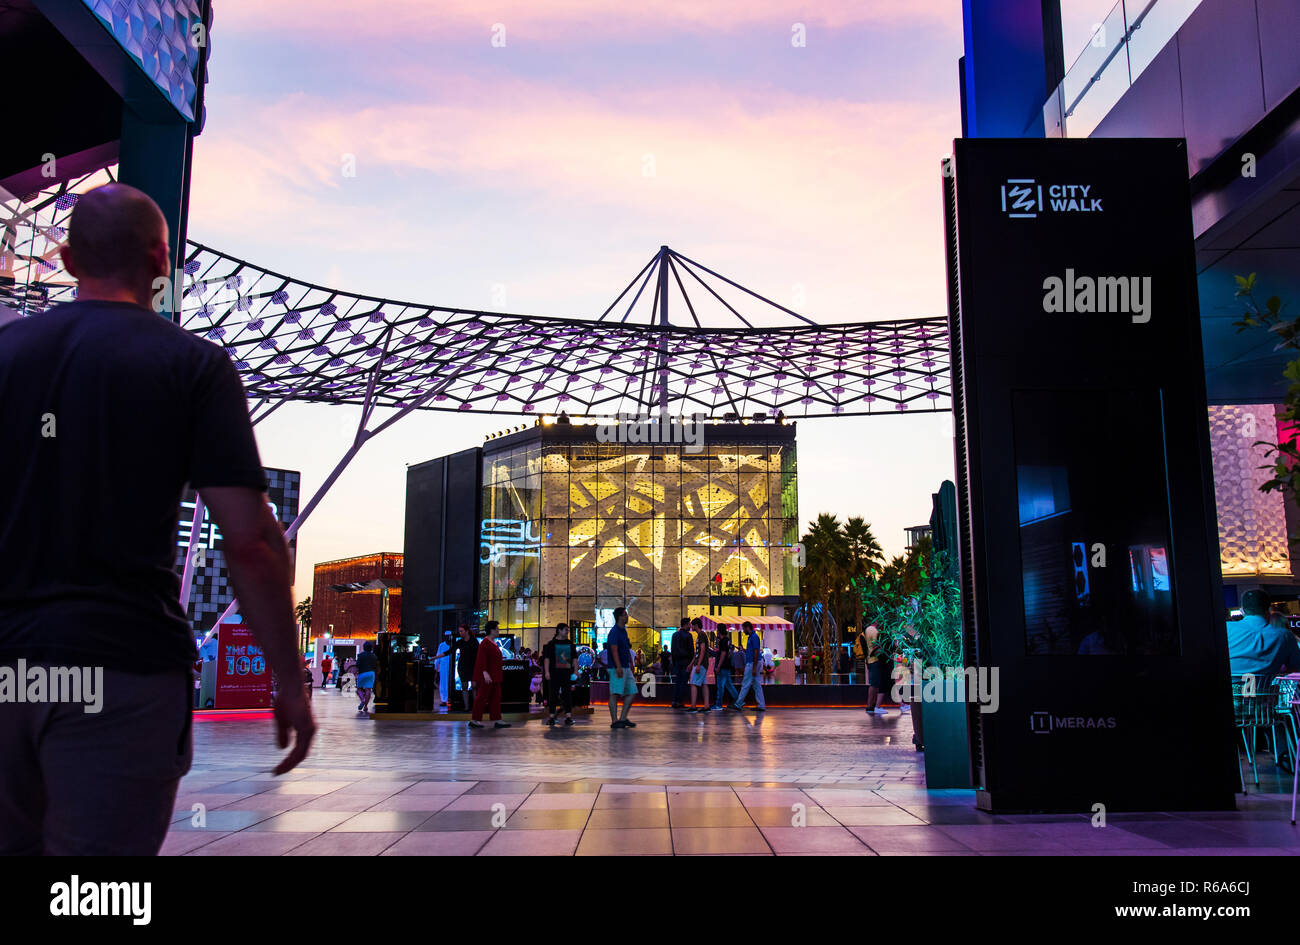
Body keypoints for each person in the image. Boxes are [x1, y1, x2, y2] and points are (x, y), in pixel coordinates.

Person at [0, 183, 313, 855]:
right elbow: (253, 542)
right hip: (121, 668)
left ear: (66, 257)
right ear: (160, 261)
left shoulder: (7, 352)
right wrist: (289, 678)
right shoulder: (190, 366)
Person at [1229, 590, 1300, 682]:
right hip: (1264, 692)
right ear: (1269, 610)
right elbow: (1295, 666)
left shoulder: (1226, 628)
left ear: (1242, 611)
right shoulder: (1285, 635)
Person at [469, 621, 511, 729]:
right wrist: (485, 672)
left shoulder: (493, 642)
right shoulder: (485, 643)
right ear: (491, 630)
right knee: (481, 697)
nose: (498, 631)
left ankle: (497, 719)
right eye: (497, 628)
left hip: (495, 676)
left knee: (495, 698)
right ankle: (474, 719)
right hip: (487, 677)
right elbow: (481, 659)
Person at [606, 607, 637, 729]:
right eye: (625, 615)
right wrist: (618, 666)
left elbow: (626, 648)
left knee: (632, 691)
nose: (627, 617)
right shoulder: (614, 632)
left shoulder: (623, 631)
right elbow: (614, 650)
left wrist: (630, 662)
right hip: (616, 667)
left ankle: (623, 718)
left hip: (625, 666)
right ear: (619, 617)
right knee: (615, 693)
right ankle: (615, 721)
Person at [542, 623, 577, 726]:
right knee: (552, 695)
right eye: (566, 630)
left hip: (566, 674)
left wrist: (575, 670)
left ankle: (568, 717)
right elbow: (546, 659)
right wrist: (547, 672)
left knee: (567, 695)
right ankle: (552, 717)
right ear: (559, 630)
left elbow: (574, 658)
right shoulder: (551, 644)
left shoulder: (570, 644)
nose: (567, 632)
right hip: (554, 674)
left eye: (568, 630)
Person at [731, 621, 767, 712]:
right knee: (756, 684)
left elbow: (756, 652)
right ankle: (761, 705)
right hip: (754, 662)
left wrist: (754, 667)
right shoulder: (752, 637)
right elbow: (752, 651)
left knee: (746, 683)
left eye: (743, 628)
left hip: (752, 663)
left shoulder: (754, 637)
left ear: (747, 627)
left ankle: (738, 704)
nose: (743, 631)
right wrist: (744, 650)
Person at [861, 623, 888, 715]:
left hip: (870, 660)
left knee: (874, 683)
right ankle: (870, 705)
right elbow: (876, 646)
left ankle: (871, 705)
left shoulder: (867, 629)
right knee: (874, 684)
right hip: (874, 660)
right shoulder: (874, 630)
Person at [686, 618, 711, 712]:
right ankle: (706, 706)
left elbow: (703, 650)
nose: (691, 627)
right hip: (701, 663)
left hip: (701, 663)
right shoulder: (701, 635)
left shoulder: (701, 635)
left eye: (692, 625)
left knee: (693, 683)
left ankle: (693, 706)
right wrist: (691, 664)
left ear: (696, 625)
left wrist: (698, 664)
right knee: (704, 684)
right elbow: (698, 652)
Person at [670, 618, 695, 709]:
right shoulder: (688, 636)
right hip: (686, 662)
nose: (690, 626)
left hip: (677, 662)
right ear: (686, 624)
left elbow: (672, 650)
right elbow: (691, 651)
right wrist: (691, 663)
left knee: (677, 682)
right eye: (689, 624)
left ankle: (674, 701)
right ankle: (680, 701)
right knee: (683, 682)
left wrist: (673, 662)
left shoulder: (674, 635)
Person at [712, 624, 739, 709]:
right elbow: (726, 651)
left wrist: (718, 666)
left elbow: (723, 654)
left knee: (720, 686)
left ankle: (718, 704)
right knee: (729, 685)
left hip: (723, 666)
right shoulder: (727, 640)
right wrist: (719, 650)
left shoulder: (722, 641)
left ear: (719, 631)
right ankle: (739, 701)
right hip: (727, 666)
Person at [454, 623, 478, 711]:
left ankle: (475, 707)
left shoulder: (474, 641)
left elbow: (478, 654)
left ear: (466, 631)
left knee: (474, 685)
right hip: (463, 666)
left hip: (473, 665)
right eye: (459, 631)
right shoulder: (460, 642)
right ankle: (466, 707)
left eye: (461, 631)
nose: (460, 633)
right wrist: (436, 657)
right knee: (464, 686)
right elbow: (450, 651)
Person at [354, 642, 378, 714]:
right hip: (371, 673)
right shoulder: (374, 656)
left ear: (364, 647)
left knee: (359, 688)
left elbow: (357, 665)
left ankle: (362, 700)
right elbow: (376, 666)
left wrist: (356, 673)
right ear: (371, 648)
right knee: (368, 689)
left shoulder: (361, 655)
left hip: (362, 673)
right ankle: (366, 706)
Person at [435, 631, 452, 706]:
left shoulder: (454, 644)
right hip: (443, 666)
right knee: (443, 683)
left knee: (451, 684)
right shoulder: (442, 645)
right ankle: (444, 700)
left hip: (452, 667)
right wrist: (435, 667)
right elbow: (438, 656)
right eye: (446, 636)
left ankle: (451, 699)